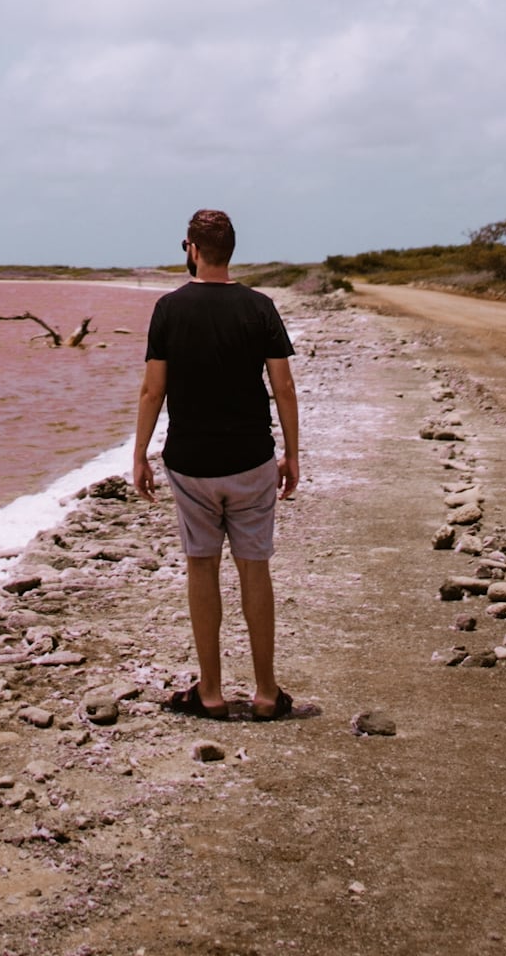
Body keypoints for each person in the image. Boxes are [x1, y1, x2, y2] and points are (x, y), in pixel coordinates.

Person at [132, 208, 307, 722]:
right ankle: (266, 693)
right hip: (251, 459)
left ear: (191, 249)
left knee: (201, 567)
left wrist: (140, 453)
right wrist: (292, 452)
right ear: (230, 250)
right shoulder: (259, 307)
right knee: (255, 569)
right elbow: (285, 387)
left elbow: (152, 390)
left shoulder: (168, 308)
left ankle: (209, 693)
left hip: (190, 464)